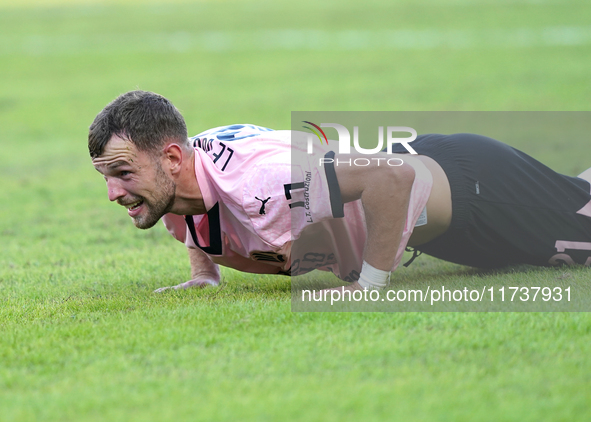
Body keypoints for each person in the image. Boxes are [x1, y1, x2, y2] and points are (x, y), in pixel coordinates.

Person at [88, 90, 591, 292]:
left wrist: (367, 287)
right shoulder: (176, 187)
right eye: (105, 177)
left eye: (123, 174)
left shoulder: (266, 180)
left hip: (470, 189)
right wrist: (206, 275)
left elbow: (396, 178)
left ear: (173, 158)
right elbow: (200, 219)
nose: (112, 193)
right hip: (435, 223)